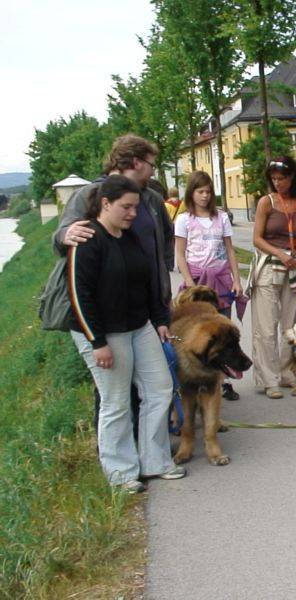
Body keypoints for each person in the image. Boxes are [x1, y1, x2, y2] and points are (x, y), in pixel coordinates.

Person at [67, 175, 186, 493]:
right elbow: (80, 295)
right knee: (116, 401)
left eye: (136, 207)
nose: (133, 213)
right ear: (105, 204)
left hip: (139, 325)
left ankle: (155, 461)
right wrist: (98, 342)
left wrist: (160, 319)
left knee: (160, 389)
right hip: (105, 332)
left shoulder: (130, 238)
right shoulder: (88, 239)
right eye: (127, 207)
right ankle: (120, 473)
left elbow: (147, 282)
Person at [54, 134, 175, 434]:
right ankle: (118, 453)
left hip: (147, 303)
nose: (153, 171)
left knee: (153, 382)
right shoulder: (89, 195)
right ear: (135, 162)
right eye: (151, 165)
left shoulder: (151, 199)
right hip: (107, 309)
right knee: (115, 392)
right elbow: (63, 237)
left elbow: (165, 241)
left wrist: (162, 288)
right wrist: (63, 236)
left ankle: (148, 449)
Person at [251, 156, 296, 399]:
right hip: (270, 267)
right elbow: (257, 238)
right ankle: (268, 379)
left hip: (295, 269)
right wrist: (280, 253)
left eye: (283, 178)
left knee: (291, 326)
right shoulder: (265, 203)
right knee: (266, 327)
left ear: (292, 178)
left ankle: (284, 371)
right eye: (274, 179)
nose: (278, 183)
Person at [175, 170, 243, 401]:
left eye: (208, 192)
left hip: (221, 278)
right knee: (202, 332)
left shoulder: (221, 217)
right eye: (200, 191)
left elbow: (230, 250)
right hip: (197, 280)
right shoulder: (184, 219)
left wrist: (236, 279)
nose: (204, 196)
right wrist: (189, 283)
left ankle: (223, 382)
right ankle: (196, 378)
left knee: (223, 329)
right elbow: (180, 254)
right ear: (191, 193)